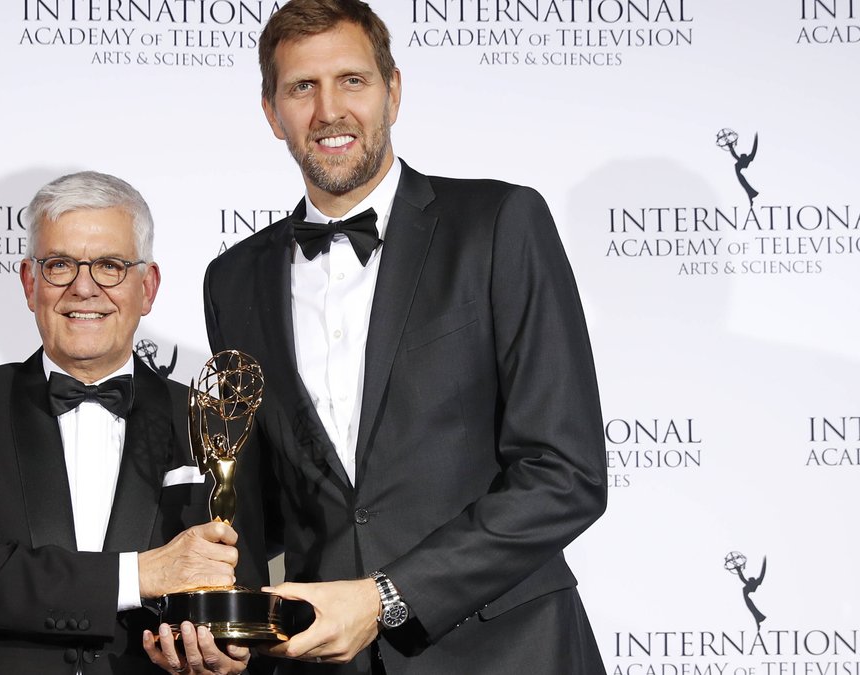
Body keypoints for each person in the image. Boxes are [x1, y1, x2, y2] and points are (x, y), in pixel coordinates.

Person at [198, 1, 610, 672]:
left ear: (394, 90)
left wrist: (389, 596)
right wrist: (223, 628)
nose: (329, 110)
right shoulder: (232, 278)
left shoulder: (500, 223)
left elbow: (566, 474)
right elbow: (254, 497)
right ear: (272, 112)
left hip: (506, 652)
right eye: (303, 87)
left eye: (352, 80)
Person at [0, 171, 266, 675]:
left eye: (110, 266)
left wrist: (231, 660)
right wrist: (139, 574)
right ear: (30, 284)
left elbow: (241, 596)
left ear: (148, 287)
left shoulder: (213, 419)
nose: (84, 288)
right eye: (59, 266)